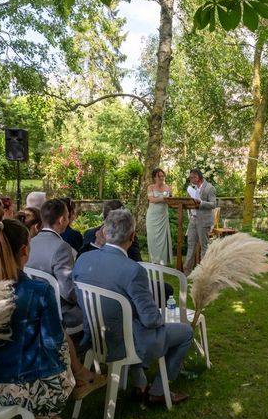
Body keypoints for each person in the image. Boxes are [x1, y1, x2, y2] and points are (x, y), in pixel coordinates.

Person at [73, 209, 194, 405]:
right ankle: (159, 390)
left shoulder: (83, 260)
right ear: (132, 236)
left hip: (95, 338)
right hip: (124, 343)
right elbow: (151, 319)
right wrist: (160, 315)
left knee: (135, 324)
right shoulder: (132, 270)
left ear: (104, 232)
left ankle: (140, 383)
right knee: (185, 332)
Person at [0, 219, 74, 419]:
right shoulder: (39, 291)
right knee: (65, 351)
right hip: (25, 388)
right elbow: (53, 343)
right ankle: (47, 418)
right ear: (24, 250)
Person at [26, 199, 84, 333]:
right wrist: (83, 298)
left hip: (31, 304)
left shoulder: (30, 241)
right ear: (62, 219)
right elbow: (67, 291)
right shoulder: (62, 247)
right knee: (95, 307)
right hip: (55, 310)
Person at [184, 168, 217, 274]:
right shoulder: (194, 188)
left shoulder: (210, 188)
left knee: (204, 246)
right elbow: (190, 202)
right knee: (191, 245)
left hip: (204, 221)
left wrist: (201, 202)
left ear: (197, 177)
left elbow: (213, 204)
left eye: (191, 177)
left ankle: (203, 272)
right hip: (193, 219)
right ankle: (187, 272)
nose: (190, 179)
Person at [146, 168, 173, 265]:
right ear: (154, 177)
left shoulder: (168, 188)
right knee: (152, 237)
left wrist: (164, 199)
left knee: (162, 238)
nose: (161, 178)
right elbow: (151, 200)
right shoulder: (150, 187)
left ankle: (163, 261)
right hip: (152, 216)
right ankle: (154, 260)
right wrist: (163, 198)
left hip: (163, 215)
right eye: (159, 176)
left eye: (162, 176)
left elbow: (171, 200)